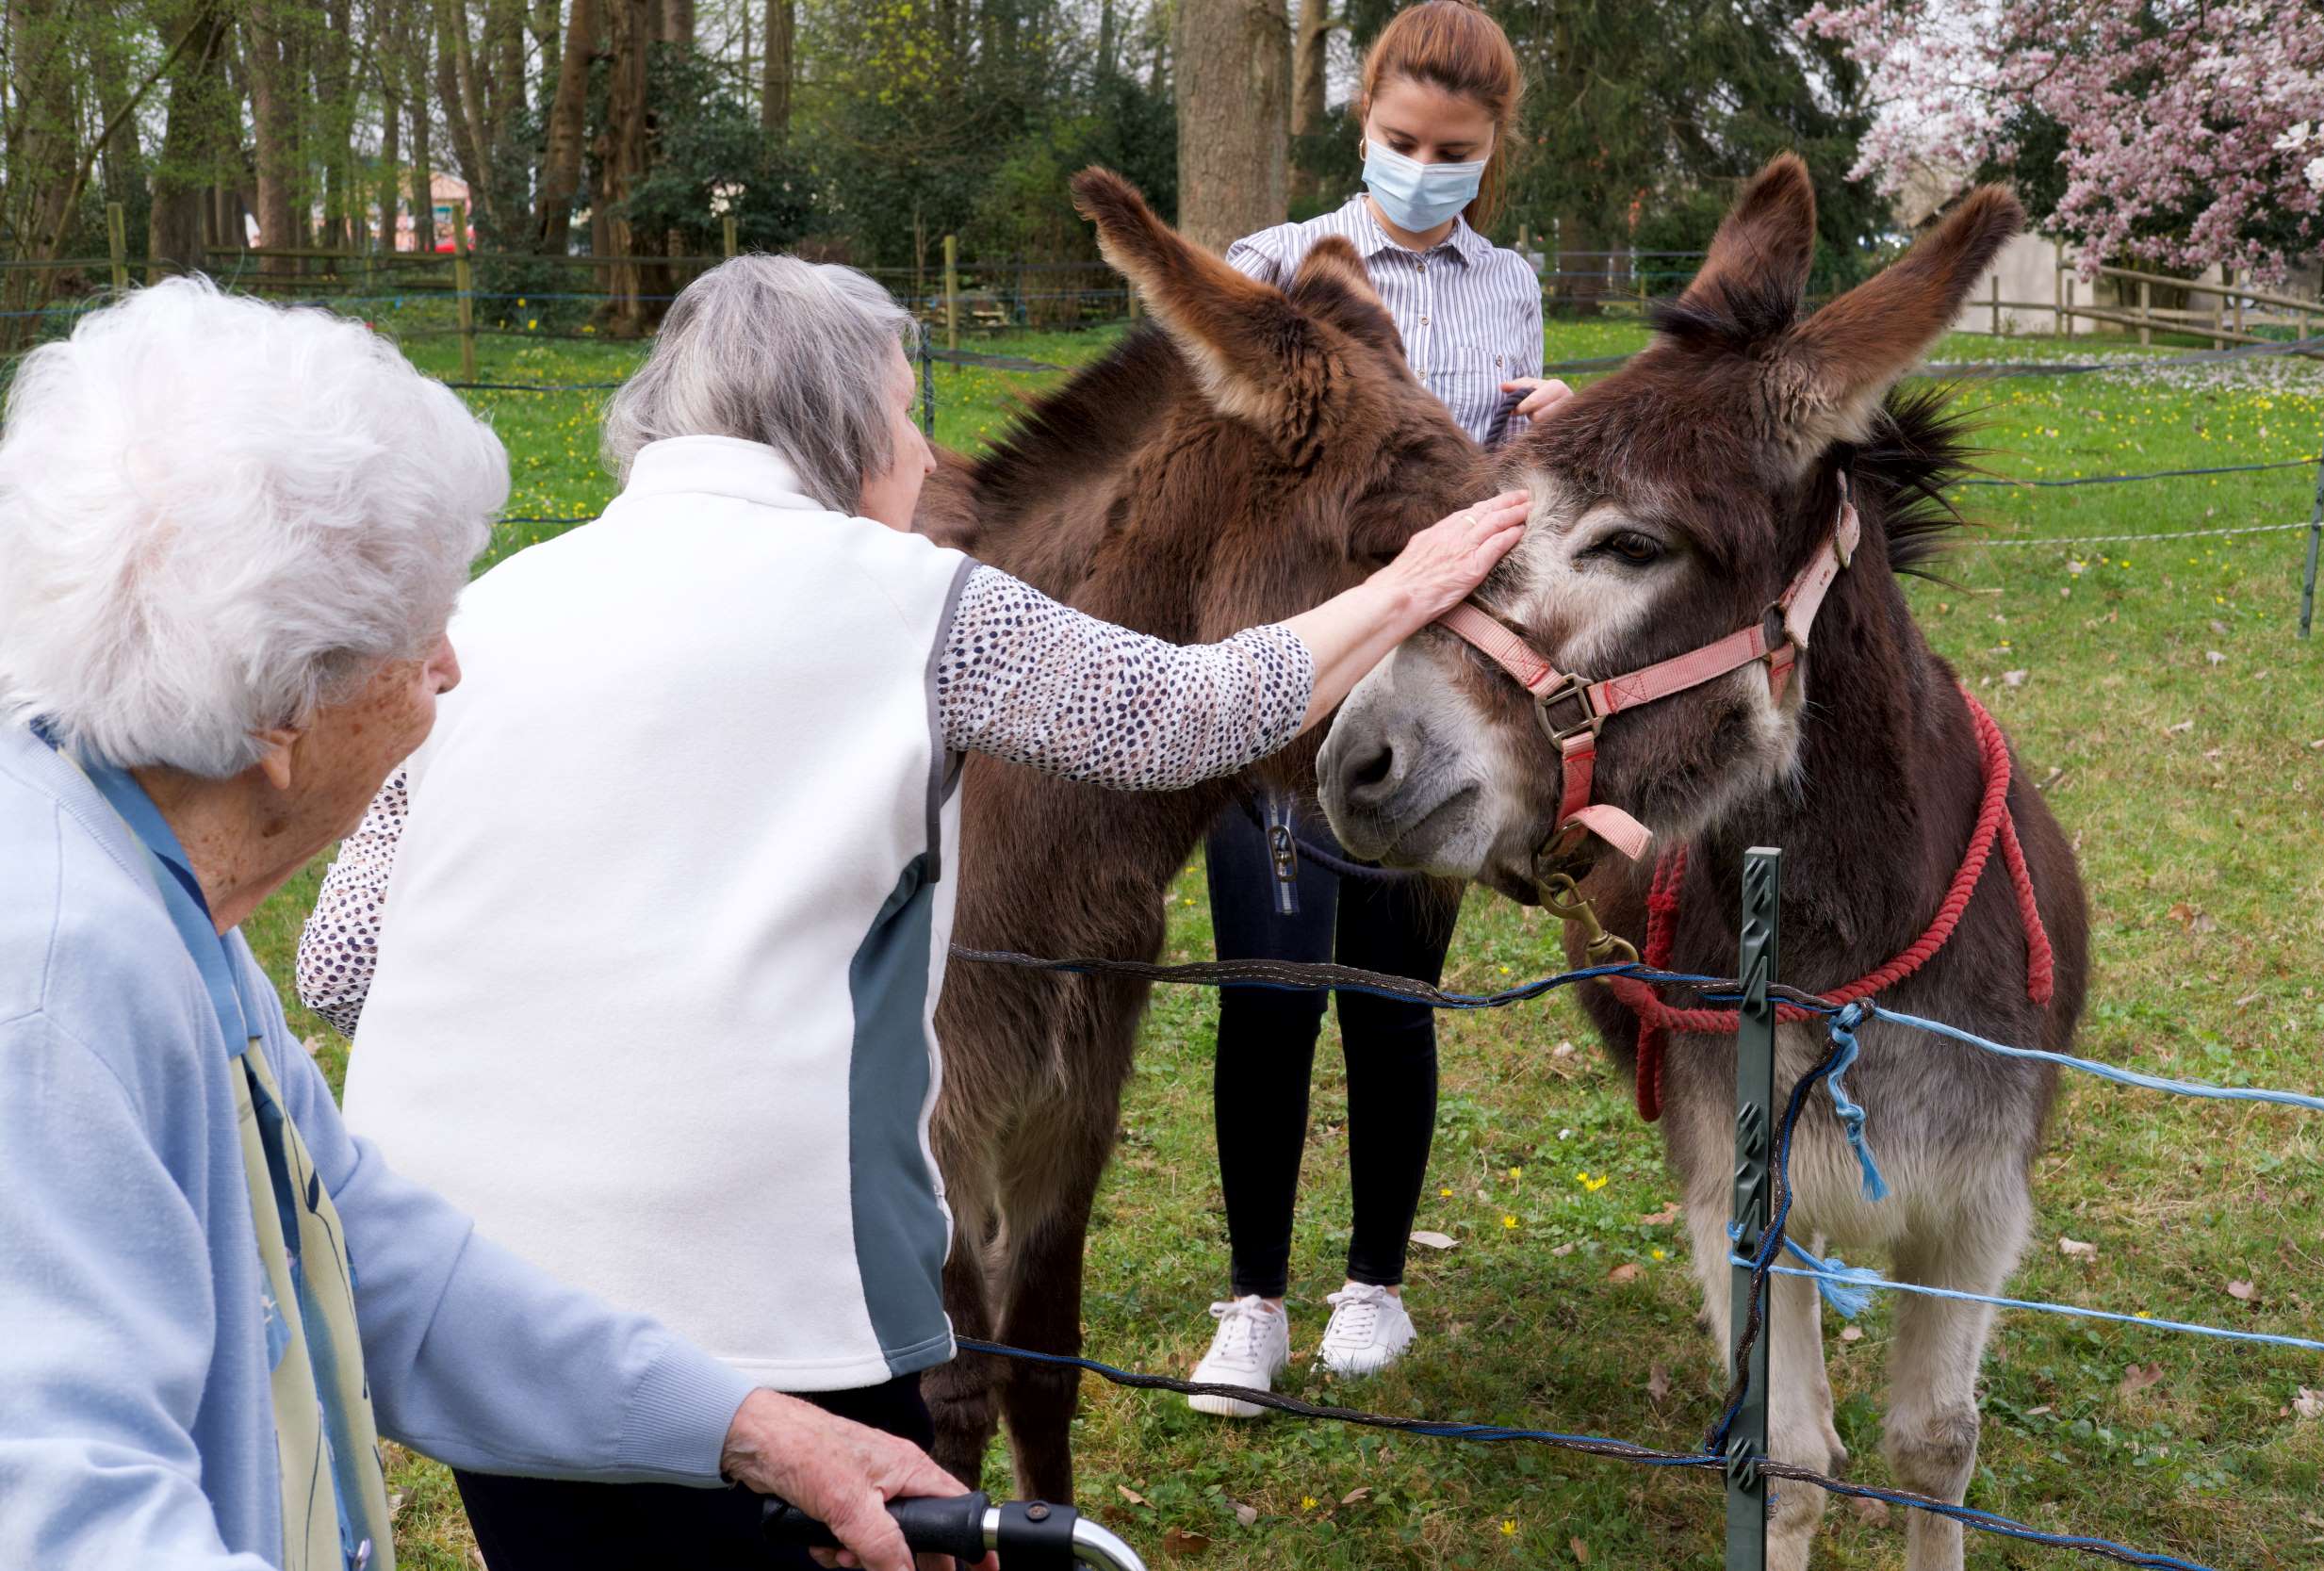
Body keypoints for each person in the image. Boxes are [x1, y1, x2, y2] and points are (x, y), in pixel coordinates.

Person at [292, 253, 1528, 1571]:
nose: (926, 447)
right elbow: (1184, 718)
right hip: (766, 1322)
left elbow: (340, 959)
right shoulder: (916, 604)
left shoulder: (490, 613)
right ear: (834, 428)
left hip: (470, 1311)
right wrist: (1407, 584)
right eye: (902, 410)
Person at [0, 279, 990, 1571]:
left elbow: (370, 1260)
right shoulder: (56, 989)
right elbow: (75, 1521)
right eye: (417, 635)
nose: (453, 666)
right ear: (274, 718)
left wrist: (751, 1427)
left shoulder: (153, 891)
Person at [1187, 0, 1563, 1413]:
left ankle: (1374, 1286)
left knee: (1394, 1001)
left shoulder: (1508, 284)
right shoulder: (1269, 268)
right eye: (1402, 139)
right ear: (1362, 120)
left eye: (1453, 149)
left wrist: (1552, 431)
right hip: (1288, 680)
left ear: (1489, 151)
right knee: (1271, 992)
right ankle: (1252, 1305)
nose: (1424, 165)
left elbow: (1507, 486)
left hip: (1438, 686)